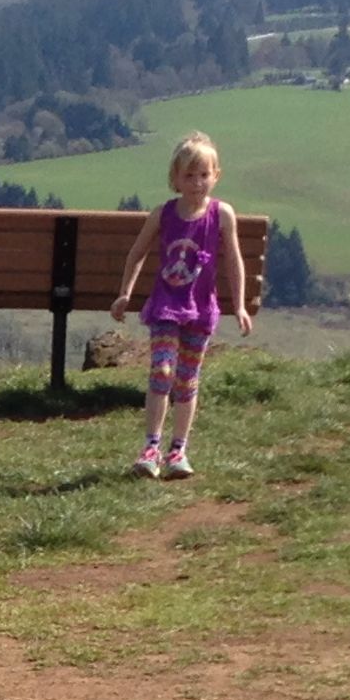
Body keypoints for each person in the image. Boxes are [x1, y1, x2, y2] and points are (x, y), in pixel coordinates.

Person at [107, 129, 252, 479]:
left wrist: (241, 305)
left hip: (200, 309)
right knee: (162, 371)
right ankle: (151, 448)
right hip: (166, 307)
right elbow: (137, 252)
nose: (197, 182)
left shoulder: (222, 215)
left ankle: (178, 451)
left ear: (216, 176)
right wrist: (125, 291)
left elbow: (234, 260)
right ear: (175, 177)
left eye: (204, 174)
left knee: (187, 380)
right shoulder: (164, 214)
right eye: (189, 175)